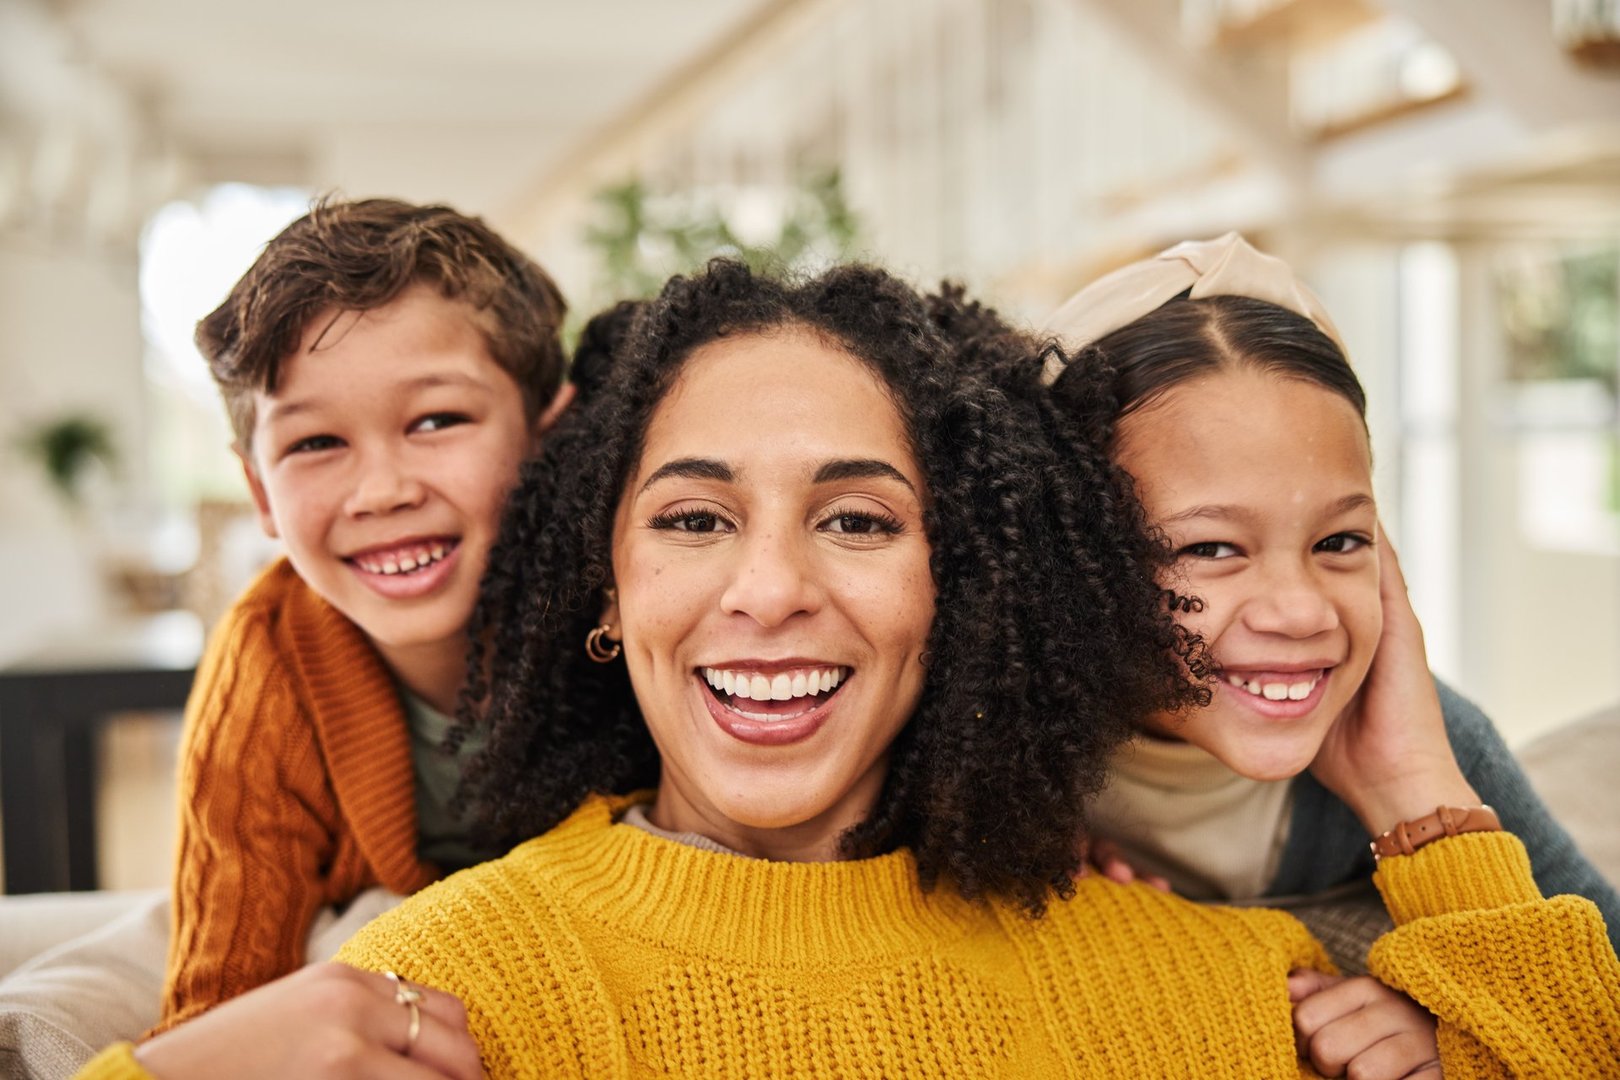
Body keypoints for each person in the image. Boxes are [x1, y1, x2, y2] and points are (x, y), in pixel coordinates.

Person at [92, 260, 1619, 1078]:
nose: (771, 589)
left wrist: (1422, 795)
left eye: (857, 518)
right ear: (606, 591)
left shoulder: (1221, 987)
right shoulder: (451, 991)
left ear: (961, 588)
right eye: (694, 517)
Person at [1032, 234, 1620, 958]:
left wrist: (1414, 792)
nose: (1302, 611)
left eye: (1339, 541)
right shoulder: (967, 750)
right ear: (1061, 556)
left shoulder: (1432, 739)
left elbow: (1601, 992)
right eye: (1209, 548)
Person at [159, 196, 573, 1028]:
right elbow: (216, 1014)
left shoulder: (630, 616)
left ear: (547, 438)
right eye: (315, 443)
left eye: (437, 420)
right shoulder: (269, 660)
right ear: (259, 494)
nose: (383, 491)